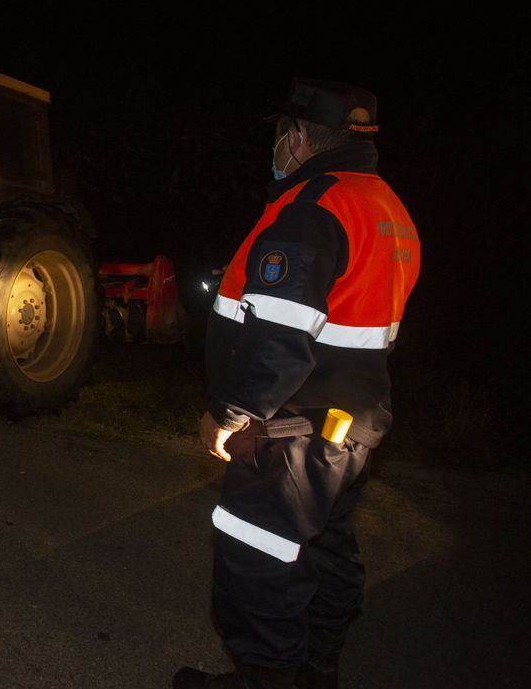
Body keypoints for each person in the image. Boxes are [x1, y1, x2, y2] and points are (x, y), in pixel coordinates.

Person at [175, 79, 421, 689]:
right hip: (351, 423)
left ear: (301, 136)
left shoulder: (312, 209)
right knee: (323, 550)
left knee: (258, 556)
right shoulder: (387, 206)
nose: (278, 146)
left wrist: (229, 413)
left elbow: (283, 338)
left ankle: (266, 679)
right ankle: (316, 672)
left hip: (292, 425)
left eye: (281, 133)